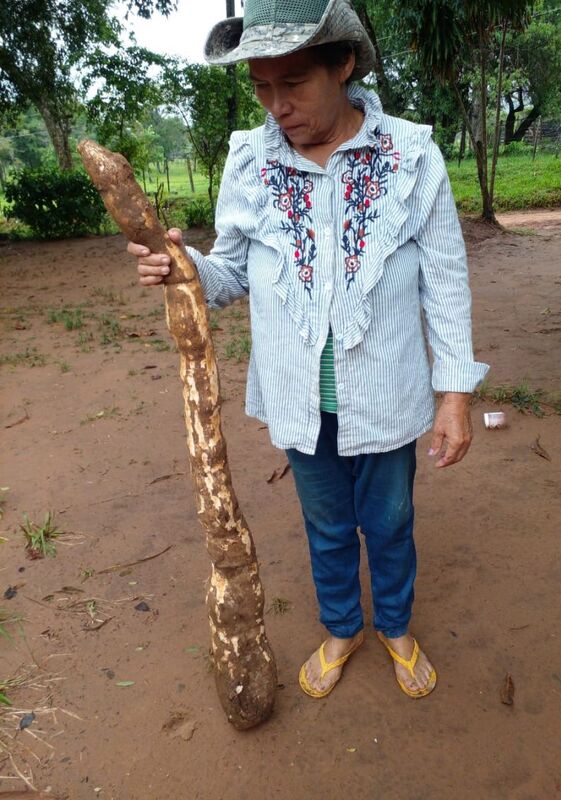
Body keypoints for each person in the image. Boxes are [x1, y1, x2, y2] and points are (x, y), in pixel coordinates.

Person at [128, 0, 489, 699]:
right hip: (300, 395)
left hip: (384, 392)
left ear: (343, 64)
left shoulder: (411, 157)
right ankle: (342, 626)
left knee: (389, 522)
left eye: (293, 83)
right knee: (325, 526)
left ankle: (395, 625)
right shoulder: (251, 161)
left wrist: (454, 396)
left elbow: (445, 283)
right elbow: (230, 272)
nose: (276, 105)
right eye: (262, 87)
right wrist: (186, 269)